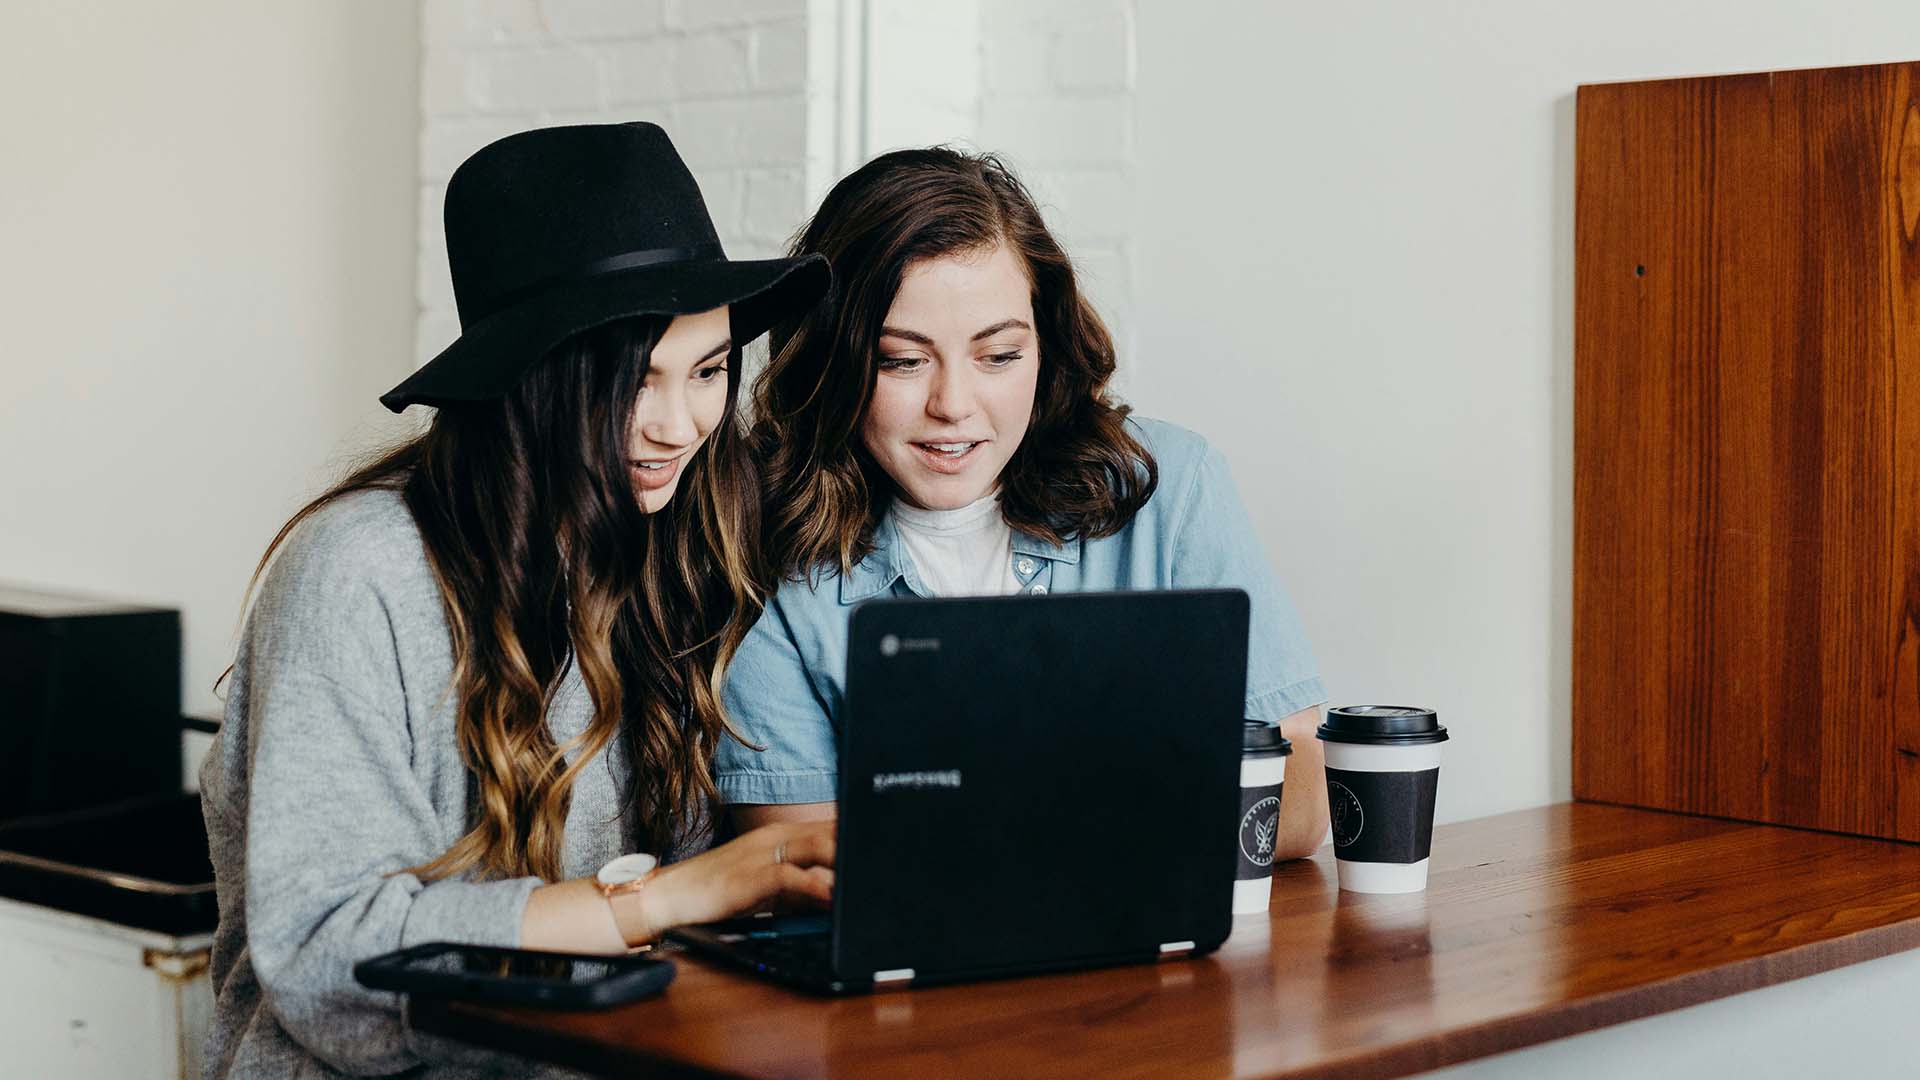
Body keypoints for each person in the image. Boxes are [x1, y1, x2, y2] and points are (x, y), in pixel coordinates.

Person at [199, 123, 834, 1077]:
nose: (679, 425)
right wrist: (667, 899)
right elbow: (328, 953)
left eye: (708, 371)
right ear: (530, 380)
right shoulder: (360, 571)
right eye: (632, 381)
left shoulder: (680, 546)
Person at [717, 147, 1331, 858]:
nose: (953, 405)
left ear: (1046, 346)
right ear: (833, 362)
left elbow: (1299, 803)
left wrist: (977, 826)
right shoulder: (766, 551)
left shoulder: (1168, 487)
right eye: (902, 360)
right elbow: (797, 866)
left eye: (998, 356)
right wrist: (1133, 797)